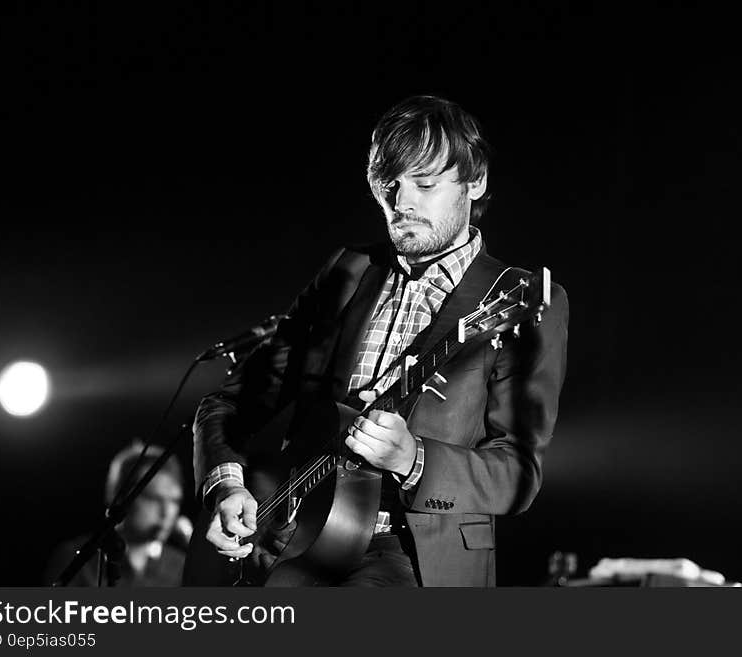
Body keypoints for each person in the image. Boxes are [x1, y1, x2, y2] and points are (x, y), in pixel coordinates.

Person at [191, 95, 568, 586]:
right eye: (387, 185)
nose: (402, 203)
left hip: (412, 558)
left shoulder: (514, 298)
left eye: (425, 184)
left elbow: (518, 475)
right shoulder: (348, 271)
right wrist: (226, 484)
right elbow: (229, 401)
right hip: (293, 541)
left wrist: (413, 460)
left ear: (475, 183)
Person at [44, 441, 189, 586]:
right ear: (120, 497)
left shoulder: (182, 567)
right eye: (153, 498)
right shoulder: (74, 560)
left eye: (174, 501)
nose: (167, 512)